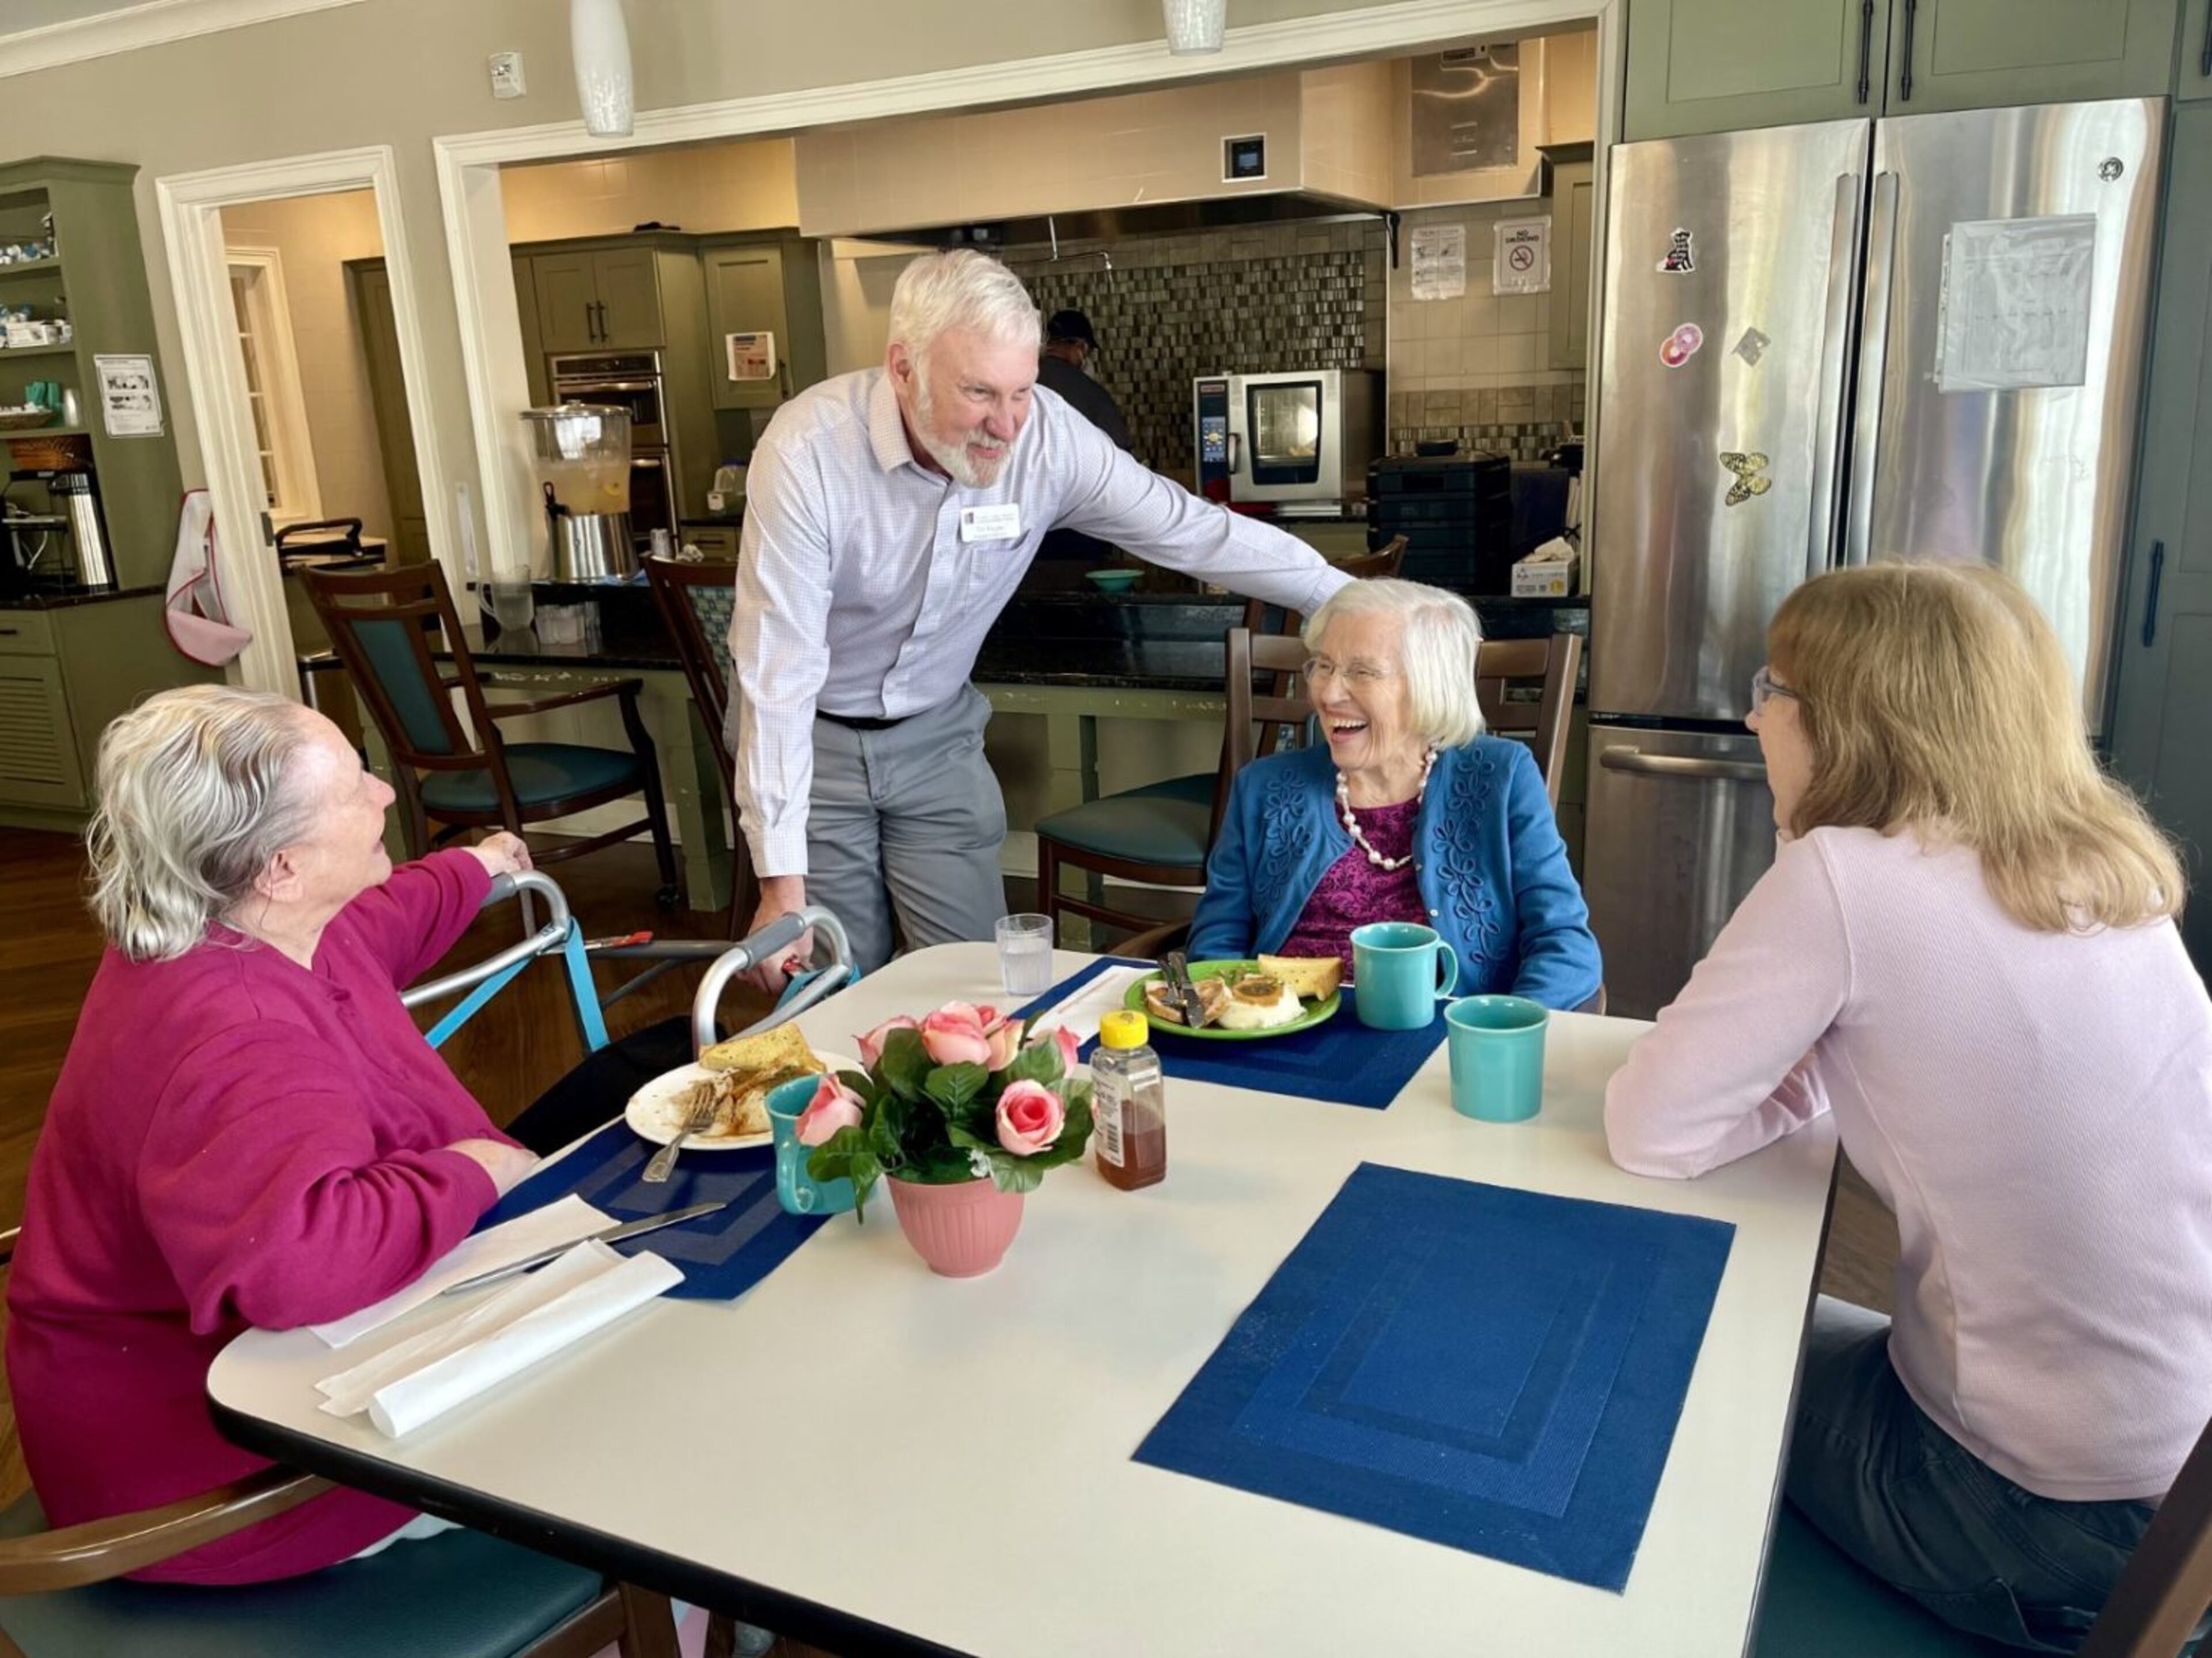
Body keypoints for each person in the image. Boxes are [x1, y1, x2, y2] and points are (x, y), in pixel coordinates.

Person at [1603, 564, 2212, 1652]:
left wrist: (1785, 1063)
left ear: (1849, 724)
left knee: (1678, 1344)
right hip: (2175, 1490)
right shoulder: (2105, 866)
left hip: (2027, 1518)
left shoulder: (1850, 875)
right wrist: (1797, 1065)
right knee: (1777, 1318)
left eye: (1771, 689)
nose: (1749, 714)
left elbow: (1651, 1129)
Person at [5, 685, 539, 1584]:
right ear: (280, 865)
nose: (381, 795)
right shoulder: (234, 1030)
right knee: (605, 1395)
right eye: (354, 786)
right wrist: (473, 1170)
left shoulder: (240, 922)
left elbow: (377, 923)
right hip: (209, 1472)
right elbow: (298, 1263)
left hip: (240, 1376)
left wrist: (477, 866)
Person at [730, 250, 1350, 978]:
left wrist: (1346, 596)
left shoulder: (1049, 439)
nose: (1007, 424)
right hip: (814, 739)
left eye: (1022, 390)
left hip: (936, 738)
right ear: (903, 367)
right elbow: (781, 673)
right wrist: (780, 884)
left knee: (970, 984)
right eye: (979, 393)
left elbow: (1191, 527)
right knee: (832, 981)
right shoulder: (808, 451)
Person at [1186, 579, 1601, 1007]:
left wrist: (1501, 1032)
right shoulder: (1263, 786)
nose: (1328, 694)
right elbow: (1217, 939)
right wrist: (1237, 1018)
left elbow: (1564, 943)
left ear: (1429, 686)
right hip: (1281, 1034)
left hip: (1444, 1044)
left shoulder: (1502, 776)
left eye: (1362, 672)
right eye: (1324, 666)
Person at [1033, 307, 1135, 566]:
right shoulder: (1092, 394)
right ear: (1080, 347)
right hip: (1079, 528)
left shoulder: (1020, 383)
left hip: (1025, 525)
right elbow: (1120, 458)